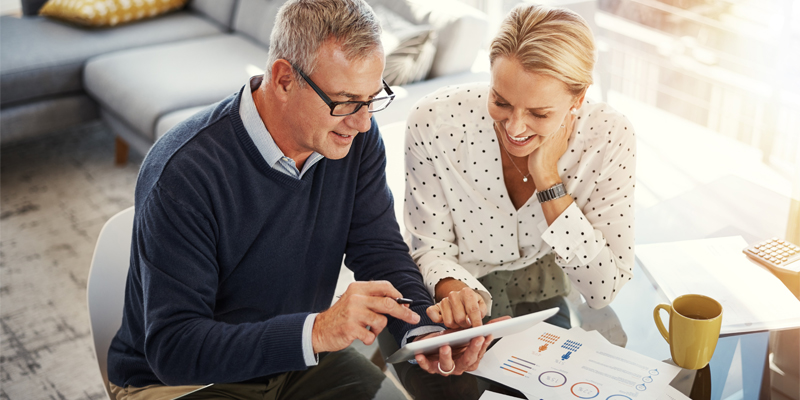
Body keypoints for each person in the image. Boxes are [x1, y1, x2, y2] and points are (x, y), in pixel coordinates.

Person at [105, 1, 492, 399]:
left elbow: (378, 250)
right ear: (284, 79)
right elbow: (175, 349)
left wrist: (423, 333)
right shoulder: (185, 171)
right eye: (345, 101)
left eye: (372, 98)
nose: (362, 122)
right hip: (187, 380)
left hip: (298, 358)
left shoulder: (354, 140)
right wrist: (318, 331)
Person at [396, 4, 637, 397]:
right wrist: (456, 291)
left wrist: (548, 180)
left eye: (540, 113)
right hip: (451, 298)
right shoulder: (434, 122)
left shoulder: (608, 138)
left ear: (578, 99)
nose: (514, 127)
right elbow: (429, 247)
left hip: (542, 296)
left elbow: (601, 288)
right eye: (501, 101)